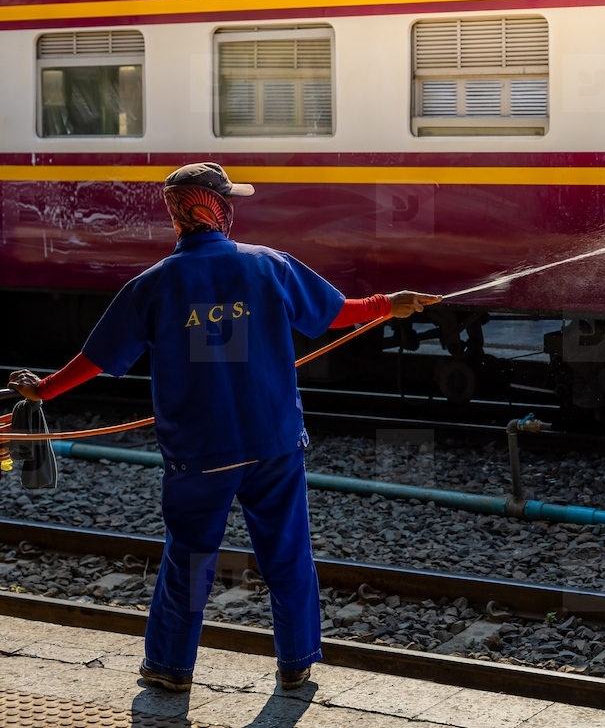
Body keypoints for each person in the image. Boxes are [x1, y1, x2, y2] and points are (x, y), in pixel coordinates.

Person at [7, 163, 441, 693]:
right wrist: (386, 306)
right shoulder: (268, 266)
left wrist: (43, 390)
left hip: (199, 454)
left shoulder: (153, 285)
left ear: (178, 211)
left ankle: (169, 669)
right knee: (287, 553)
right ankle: (297, 662)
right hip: (273, 443)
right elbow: (331, 314)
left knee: (188, 560)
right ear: (217, 207)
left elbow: (95, 359)